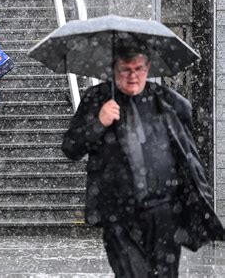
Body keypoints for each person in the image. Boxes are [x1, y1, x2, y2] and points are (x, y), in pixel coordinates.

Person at [62, 45, 224, 277]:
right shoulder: (96, 99)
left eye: (138, 68)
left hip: (163, 212)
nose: (133, 76)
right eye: (125, 69)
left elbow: (187, 152)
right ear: (113, 69)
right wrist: (99, 122)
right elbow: (71, 148)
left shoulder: (166, 101)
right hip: (118, 214)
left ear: (148, 67)